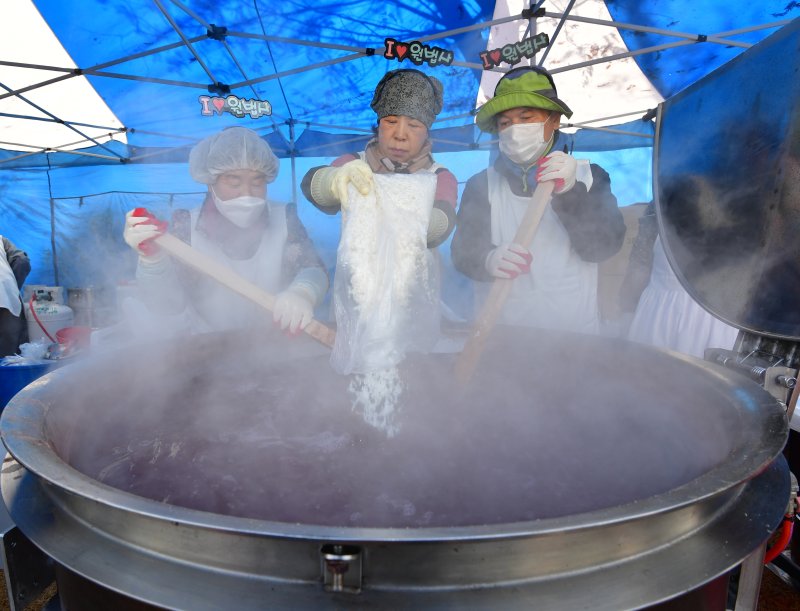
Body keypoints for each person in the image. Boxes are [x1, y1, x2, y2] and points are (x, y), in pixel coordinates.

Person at [451, 66, 625, 334]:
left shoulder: (590, 176)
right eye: (505, 123)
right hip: (503, 336)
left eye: (526, 117)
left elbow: (602, 248)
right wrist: (486, 258)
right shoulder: (481, 185)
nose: (514, 129)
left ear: (553, 121)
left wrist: (570, 192)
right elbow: (463, 252)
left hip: (575, 337)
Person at [123, 127, 328, 335]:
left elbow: (312, 268)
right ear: (210, 183)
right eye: (234, 182)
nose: (246, 193)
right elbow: (167, 305)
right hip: (205, 350)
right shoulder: (186, 225)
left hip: (272, 345)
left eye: (257, 182)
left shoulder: (284, 217)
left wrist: (303, 292)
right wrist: (153, 260)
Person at [300, 68, 457, 249]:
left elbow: (444, 220)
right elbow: (312, 184)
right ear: (379, 125)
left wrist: (419, 222)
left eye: (414, 125)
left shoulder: (439, 176)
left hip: (415, 274)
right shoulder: (355, 163)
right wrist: (332, 180)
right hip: (359, 274)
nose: (400, 135)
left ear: (426, 133)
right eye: (390, 122)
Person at [620, 201, 739, 359]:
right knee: (708, 380)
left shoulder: (660, 200)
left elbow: (639, 268)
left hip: (658, 315)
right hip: (715, 316)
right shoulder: (740, 197)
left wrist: (626, 311)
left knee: (647, 377)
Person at [0, 236, 30, 357]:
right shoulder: (1, 239)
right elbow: (22, 261)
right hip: (5, 292)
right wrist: (12, 289)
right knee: (10, 356)